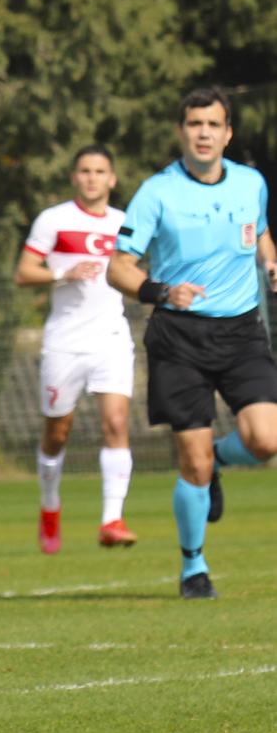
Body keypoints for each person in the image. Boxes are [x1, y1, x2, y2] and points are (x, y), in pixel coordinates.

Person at [108, 86, 277, 600]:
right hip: (179, 336)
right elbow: (119, 266)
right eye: (194, 124)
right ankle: (193, 566)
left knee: (268, 440)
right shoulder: (158, 192)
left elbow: (260, 229)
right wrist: (162, 291)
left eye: (213, 124)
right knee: (192, 462)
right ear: (181, 132)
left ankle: (222, 462)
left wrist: (270, 256)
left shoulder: (251, 182)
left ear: (228, 133)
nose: (203, 133)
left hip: (242, 330)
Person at [14, 145, 137, 553]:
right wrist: (64, 272)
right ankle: (50, 507)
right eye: (85, 170)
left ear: (112, 179)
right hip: (65, 342)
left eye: (100, 171)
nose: (92, 178)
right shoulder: (55, 219)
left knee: (117, 424)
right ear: (75, 177)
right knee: (57, 433)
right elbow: (24, 272)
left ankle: (111, 520)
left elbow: (136, 270)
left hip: (111, 339)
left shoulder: (125, 223)